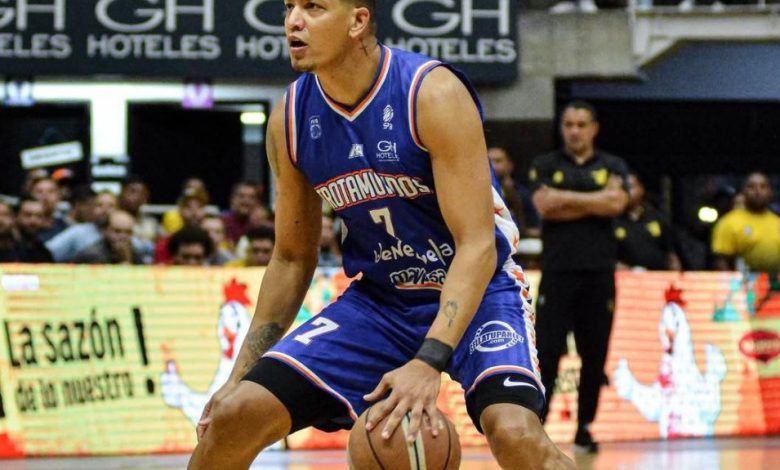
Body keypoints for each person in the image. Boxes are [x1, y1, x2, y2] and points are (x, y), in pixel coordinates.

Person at [188, 2, 574, 470]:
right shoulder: (289, 118)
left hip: (480, 293)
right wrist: (239, 376)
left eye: (313, 7)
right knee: (235, 416)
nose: (293, 21)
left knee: (515, 434)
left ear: (358, 21)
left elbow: (476, 246)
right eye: (289, 7)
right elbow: (291, 259)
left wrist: (428, 361)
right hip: (381, 302)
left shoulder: (431, 92)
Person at [529, 100, 630, 453]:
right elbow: (544, 206)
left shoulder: (613, 165)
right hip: (558, 271)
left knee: (594, 352)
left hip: (599, 272)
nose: (574, 131)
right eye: (568, 124)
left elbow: (617, 204)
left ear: (594, 128)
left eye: (581, 124)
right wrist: (596, 200)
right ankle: (537, 427)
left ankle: (585, 428)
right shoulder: (545, 164)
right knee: (547, 351)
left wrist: (565, 199)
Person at [711, 172, 780, 272]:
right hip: (743, 280)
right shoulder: (729, 222)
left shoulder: (777, 222)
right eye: (751, 187)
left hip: (775, 280)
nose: (757, 191)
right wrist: (731, 281)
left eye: (763, 187)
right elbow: (721, 260)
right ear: (744, 192)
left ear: (770, 192)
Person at [614, 172, 682, 271]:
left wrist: (675, 274)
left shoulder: (657, 218)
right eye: (623, 188)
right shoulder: (613, 222)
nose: (626, 192)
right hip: (626, 277)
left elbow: (671, 253)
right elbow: (606, 257)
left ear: (641, 189)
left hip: (657, 277)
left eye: (630, 187)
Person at [488, 146, 541, 238]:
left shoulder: (524, 195)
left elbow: (536, 227)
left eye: (498, 161)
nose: (493, 166)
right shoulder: (477, 195)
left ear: (510, 165)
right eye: (489, 162)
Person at [74, 210, 144, 265]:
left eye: (128, 232)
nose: (123, 236)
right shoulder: (92, 255)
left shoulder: (136, 253)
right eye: (117, 231)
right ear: (106, 231)